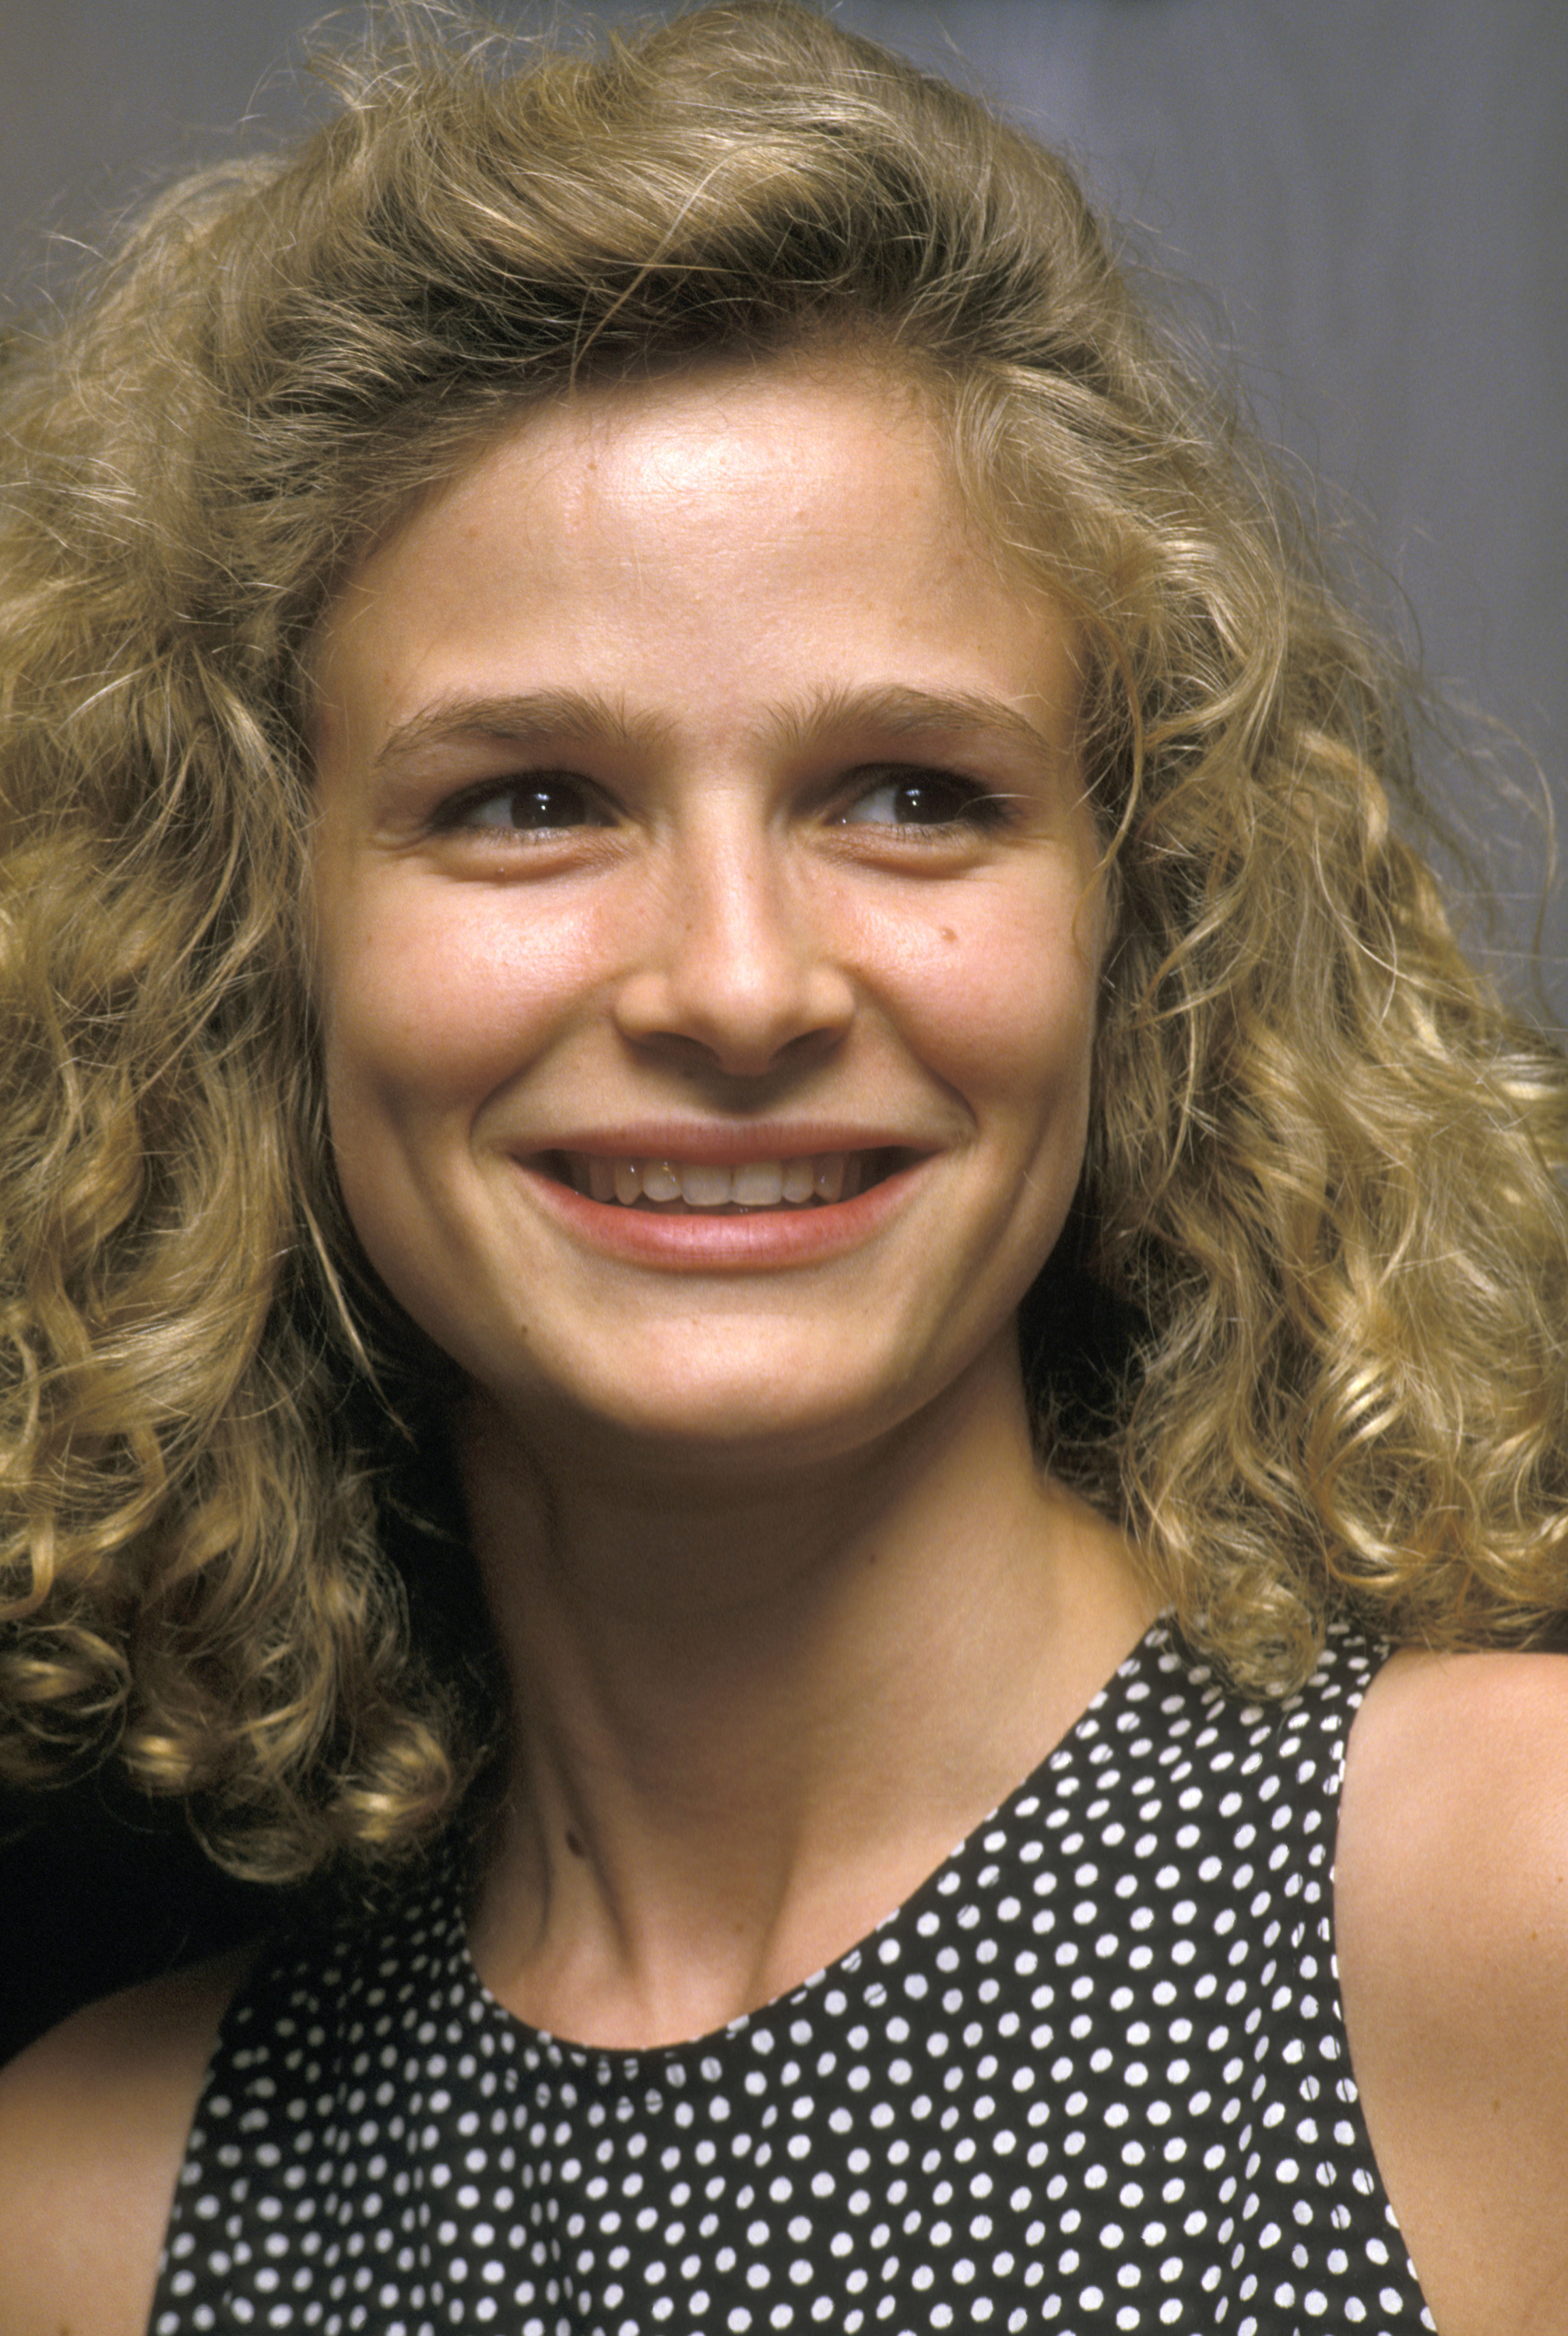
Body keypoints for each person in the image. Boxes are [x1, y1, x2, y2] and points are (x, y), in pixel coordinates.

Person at [1, 3, 1565, 2330]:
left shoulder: (1506, 1912)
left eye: (912, 791)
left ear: (1143, 924)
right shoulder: (88, 2224)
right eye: (527, 797)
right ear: (251, 958)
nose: (738, 986)